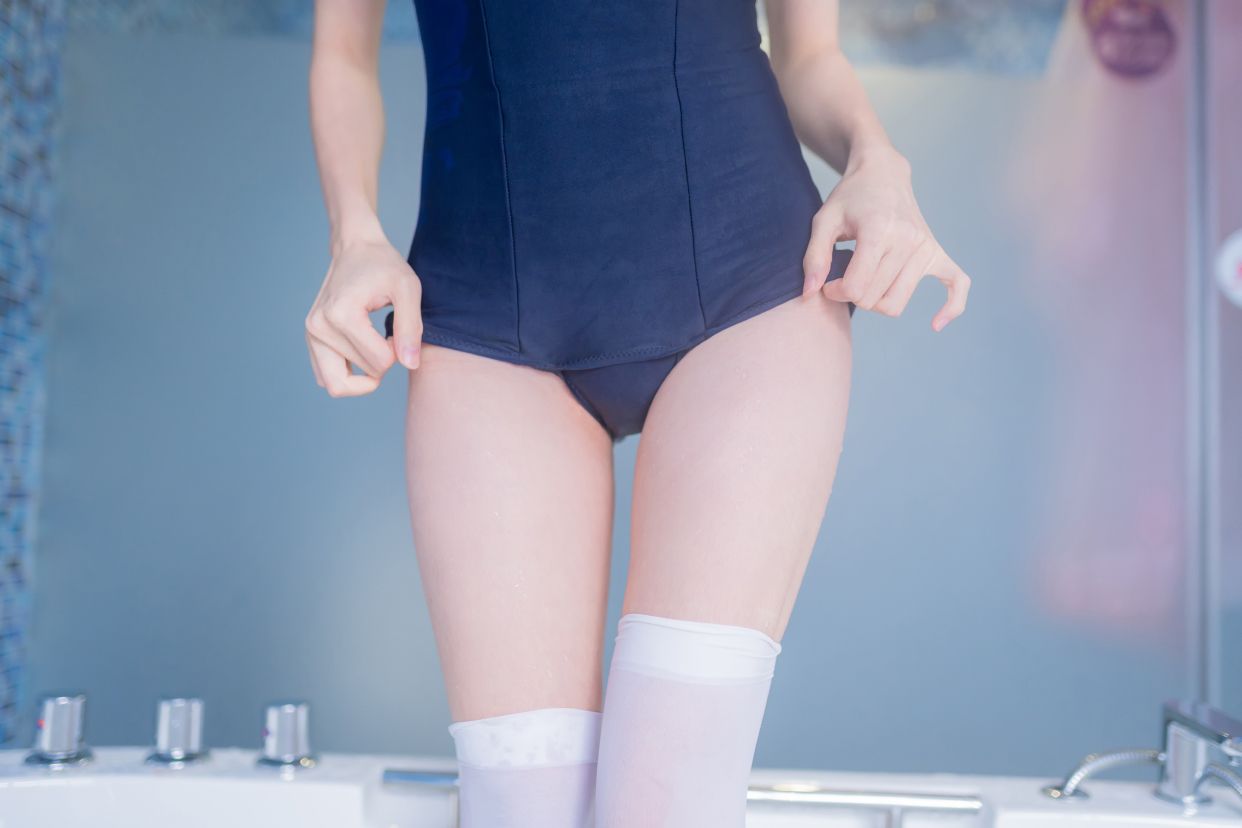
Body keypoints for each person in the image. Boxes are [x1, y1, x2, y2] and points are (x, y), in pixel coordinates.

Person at [304, 1, 970, 825]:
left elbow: (809, 57)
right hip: (483, 309)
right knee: (519, 804)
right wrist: (354, 238)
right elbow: (343, 55)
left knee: (668, 800)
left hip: (752, 288)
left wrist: (878, 161)